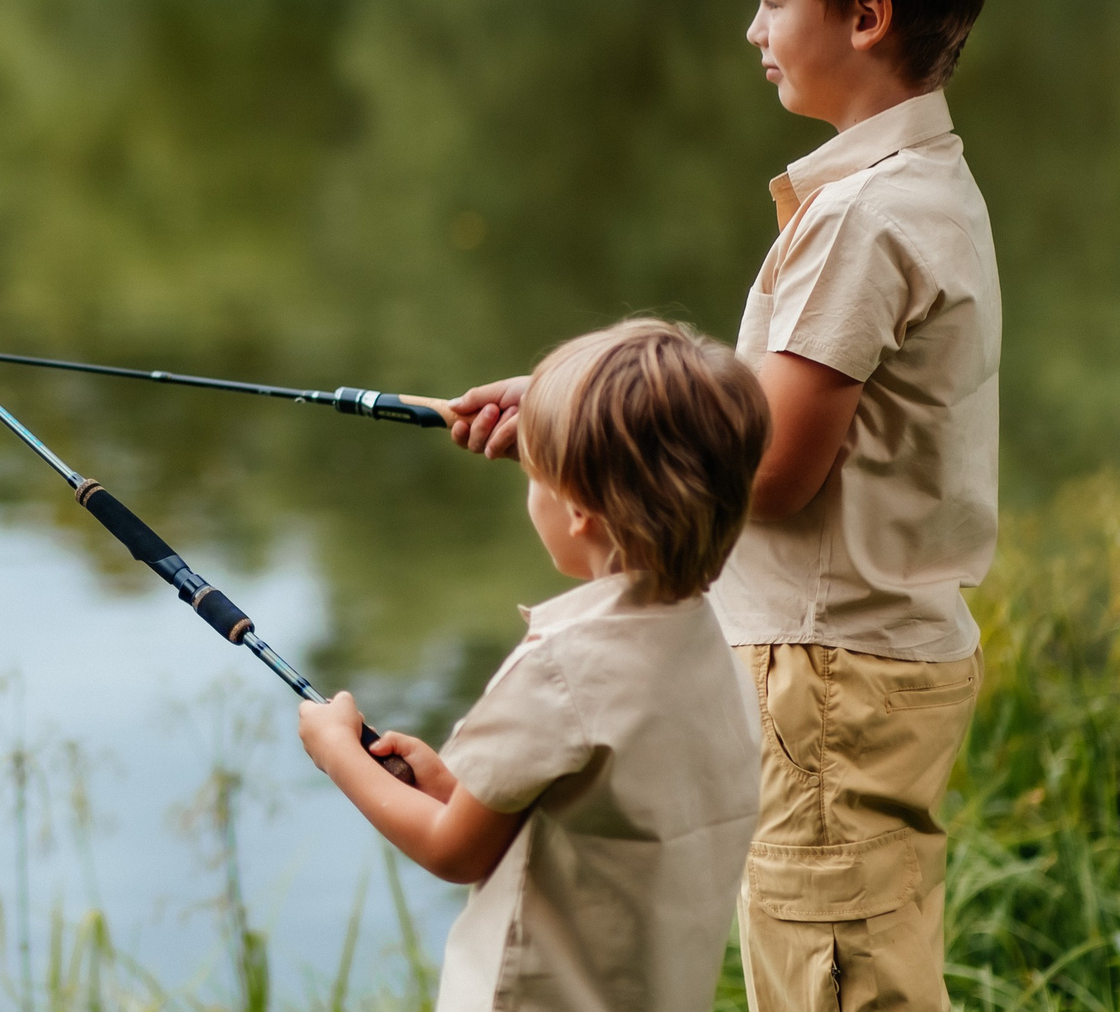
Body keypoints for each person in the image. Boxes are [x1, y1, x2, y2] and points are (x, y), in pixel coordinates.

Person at [448, 0, 1000, 1011]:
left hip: (824, 664)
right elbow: (770, 416)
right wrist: (567, 401)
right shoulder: (930, 182)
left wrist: (586, 441)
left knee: (831, 975)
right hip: (868, 655)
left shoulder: (857, 220)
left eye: (768, 1)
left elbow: (780, 469)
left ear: (863, 13)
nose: (752, 31)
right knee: (862, 954)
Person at [298, 318, 770, 1012]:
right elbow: (590, 806)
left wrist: (340, 753)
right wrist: (453, 785)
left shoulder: (559, 668)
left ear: (578, 511)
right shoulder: (711, 646)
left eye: (534, 473)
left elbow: (456, 852)